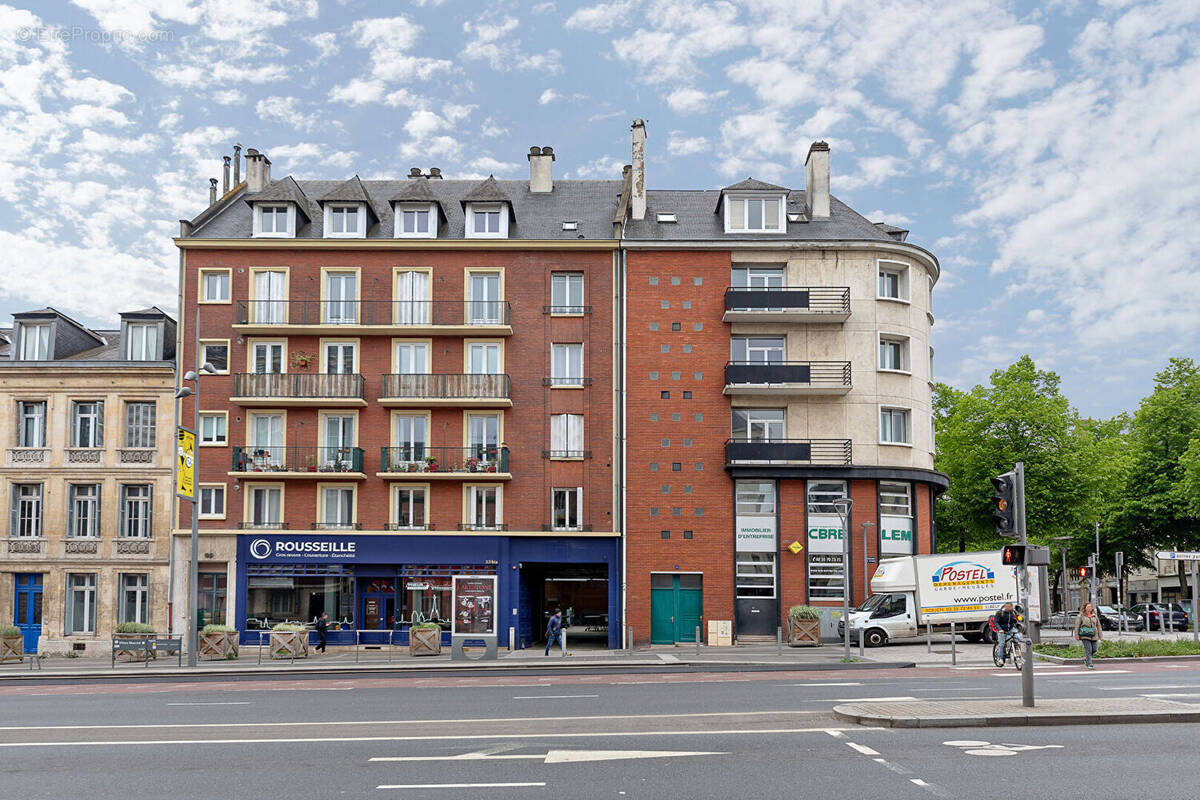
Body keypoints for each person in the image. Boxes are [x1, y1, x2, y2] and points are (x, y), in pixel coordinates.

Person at [1075, 602, 1103, 669]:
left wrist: (1100, 634)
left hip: (1094, 634)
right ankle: (1089, 664)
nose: (1090, 608)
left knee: (1095, 649)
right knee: (1088, 650)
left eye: (1091, 606)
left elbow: (1098, 625)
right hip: (1085, 635)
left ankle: (1086, 659)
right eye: (1088, 606)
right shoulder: (1080, 616)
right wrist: (1076, 635)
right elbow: (1077, 626)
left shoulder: (1094, 615)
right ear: (1085, 608)